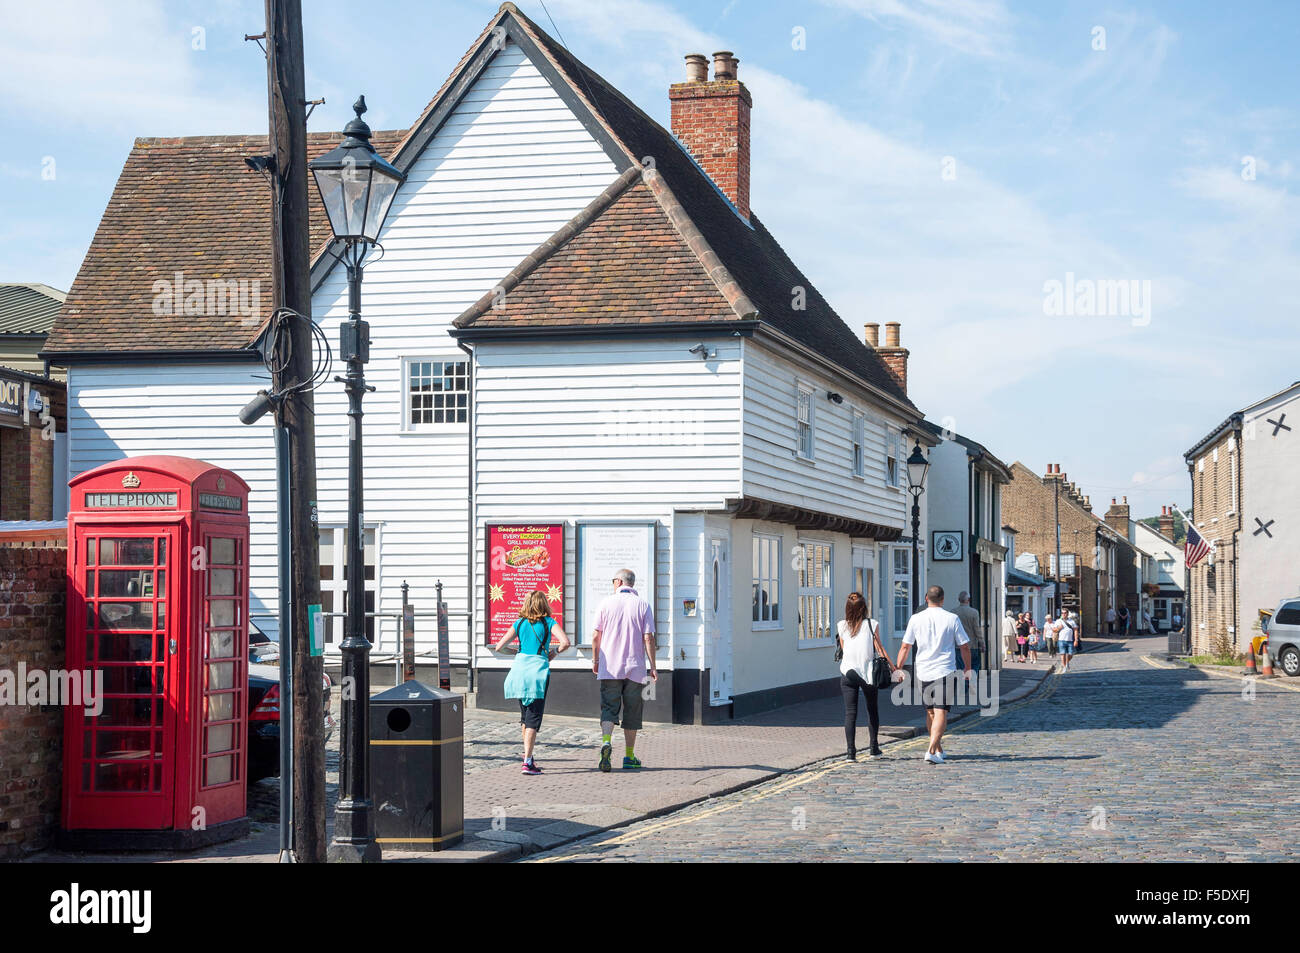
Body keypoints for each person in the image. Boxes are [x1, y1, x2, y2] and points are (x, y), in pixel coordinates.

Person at [894, 585, 972, 764]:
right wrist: (967, 668)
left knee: (931, 712)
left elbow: (906, 646)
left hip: (923, 671)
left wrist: (898, 668)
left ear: (926, 599)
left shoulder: (915, 618)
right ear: (943, 599)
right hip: (945, 670)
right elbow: (964, 646)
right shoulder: (952, 618)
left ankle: (938, 748)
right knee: (940, 711)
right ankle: (930, 750)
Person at [591, 568, 657, 771]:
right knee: (632, 711)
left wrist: (595, 661)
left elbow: (595, 636)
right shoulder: (643, 605)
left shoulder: (605, 603)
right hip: (635, 668)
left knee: (609, 708)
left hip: (609, 667)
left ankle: (607, 742)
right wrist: (653, 667)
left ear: (618, 582)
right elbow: (648, 637)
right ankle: (629, 756)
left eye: (613, 580)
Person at [497, 591, 570, 774]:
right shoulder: (549, 622)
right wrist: (554, 653)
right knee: (533, 718)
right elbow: (565, 642)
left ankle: (527, 756)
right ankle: (528, 762)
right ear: (544, 604)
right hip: (537, 672)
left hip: (519, 671)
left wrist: (516, 653)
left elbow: (499, 647)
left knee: (524, 717)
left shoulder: (519, 622)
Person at [836, 592, 896, 761]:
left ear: (848, 607)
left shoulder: (841, 626)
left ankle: (850, 753)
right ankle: (874, 748)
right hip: (868, 673)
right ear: (864, 608)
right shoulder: (872, 624)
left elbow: (844, 648)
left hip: (847, 673)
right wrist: (894, 668)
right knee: (872, 709)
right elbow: (880, 649)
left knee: (850, 713)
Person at [954, 592, 984, 672]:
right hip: (972, 645)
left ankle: (963, 684)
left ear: (959, 600)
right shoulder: (974, 612)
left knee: (960, 669)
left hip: (958, 646)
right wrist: (982, 643)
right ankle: (971, 683)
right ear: (969, 600)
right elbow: (977, 629)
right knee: (974, 668)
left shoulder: (953, 612)